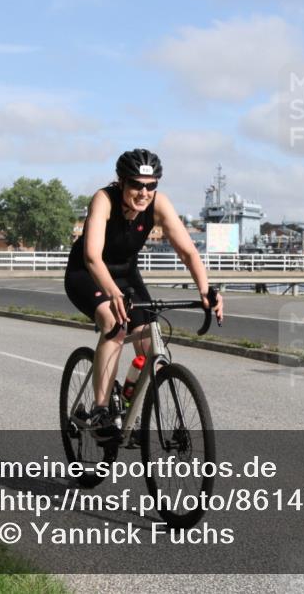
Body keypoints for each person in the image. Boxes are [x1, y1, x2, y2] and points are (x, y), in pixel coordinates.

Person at [64, 149, 223, 441]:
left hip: (126, 275)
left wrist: (205, 289)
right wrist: (112, 293)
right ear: (121, 182)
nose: (144, 192)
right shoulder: (104, 199)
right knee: (115, 324)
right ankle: (100, 411)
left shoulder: (158, 204)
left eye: (151, 186)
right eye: (137, 184)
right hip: (87, 273)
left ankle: (127, 403)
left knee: (150, 339)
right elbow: (91, 257)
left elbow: (188, 251)